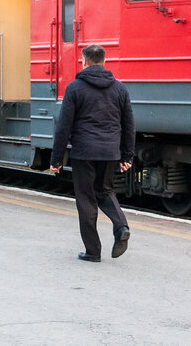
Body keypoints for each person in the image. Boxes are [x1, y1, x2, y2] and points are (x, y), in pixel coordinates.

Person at [49, 44, 135, 262]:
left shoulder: (75, 88)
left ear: (83, 61)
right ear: (104, 61)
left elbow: (64, 126)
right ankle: (121, 226)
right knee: (105, 191)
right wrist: (127, 155)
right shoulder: (120, 88)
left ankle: (93, 251)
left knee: (86, 199)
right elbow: (129, 125)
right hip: (109, 151)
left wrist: (57, 159)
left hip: (84, 152)